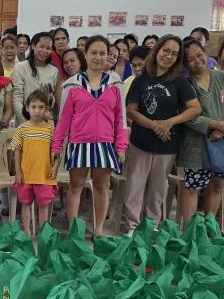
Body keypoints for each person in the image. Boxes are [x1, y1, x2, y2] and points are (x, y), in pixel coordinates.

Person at [121, 35, 201, 230]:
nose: (169, 56)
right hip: (140, 142)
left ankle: (152, 226)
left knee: (158, 189)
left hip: (167, 144)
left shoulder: (180, 82)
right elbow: (131, 110)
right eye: (166, 50)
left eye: (174, 54)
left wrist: (170, 122)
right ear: (157, 50)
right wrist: (155, 126)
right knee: (135, 186)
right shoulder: (141, 80)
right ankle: (132, 226)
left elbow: (195, 108)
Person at [52, 36, 128, 238]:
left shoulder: (115, 84)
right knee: (75, 187)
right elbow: (63, 120)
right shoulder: (72, 85)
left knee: (102, 187)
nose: (98, 57)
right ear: (85, 54)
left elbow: (120, 118)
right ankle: (74, 232)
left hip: (105, 145)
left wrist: (121, 146)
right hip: (78, 144)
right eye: (94, 52)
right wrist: (56, 145)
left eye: (103, 53)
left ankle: (99, 230)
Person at [178, 39, 224, 225]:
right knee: (192, 187)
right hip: (195, 145)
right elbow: (187, 116)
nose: (197, 61)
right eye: (191, 59)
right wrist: (216, 125)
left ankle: (209, 226)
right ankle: (190, 230)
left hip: (220, 142)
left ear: (205, 52)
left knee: (217, 185)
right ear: (185, 64)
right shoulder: (185, 84)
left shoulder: (223, 77)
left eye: (199, 55)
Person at [11, 90, 58, 236]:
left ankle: (44, 233)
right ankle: (26, 231)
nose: (37, 111)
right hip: (26, 175)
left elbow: (56, 151)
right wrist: (18, 172)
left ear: (46, 109)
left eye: (41, 107)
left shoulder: (51, 129)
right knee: (25, 203)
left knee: (44, 205)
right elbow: (16, 152)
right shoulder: (22, 129)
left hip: (45, 175)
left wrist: (56, 167)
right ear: (27, 107)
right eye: (33, 107)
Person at [11, 31, 59, 119]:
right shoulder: (20, 68)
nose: (44, 51)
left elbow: (54, 101)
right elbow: (16, 99)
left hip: (46, 123)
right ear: (33, 46)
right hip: (24, 122)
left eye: (48, 48)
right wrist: (28, 123)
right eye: (41, 46)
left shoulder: (54, 71)